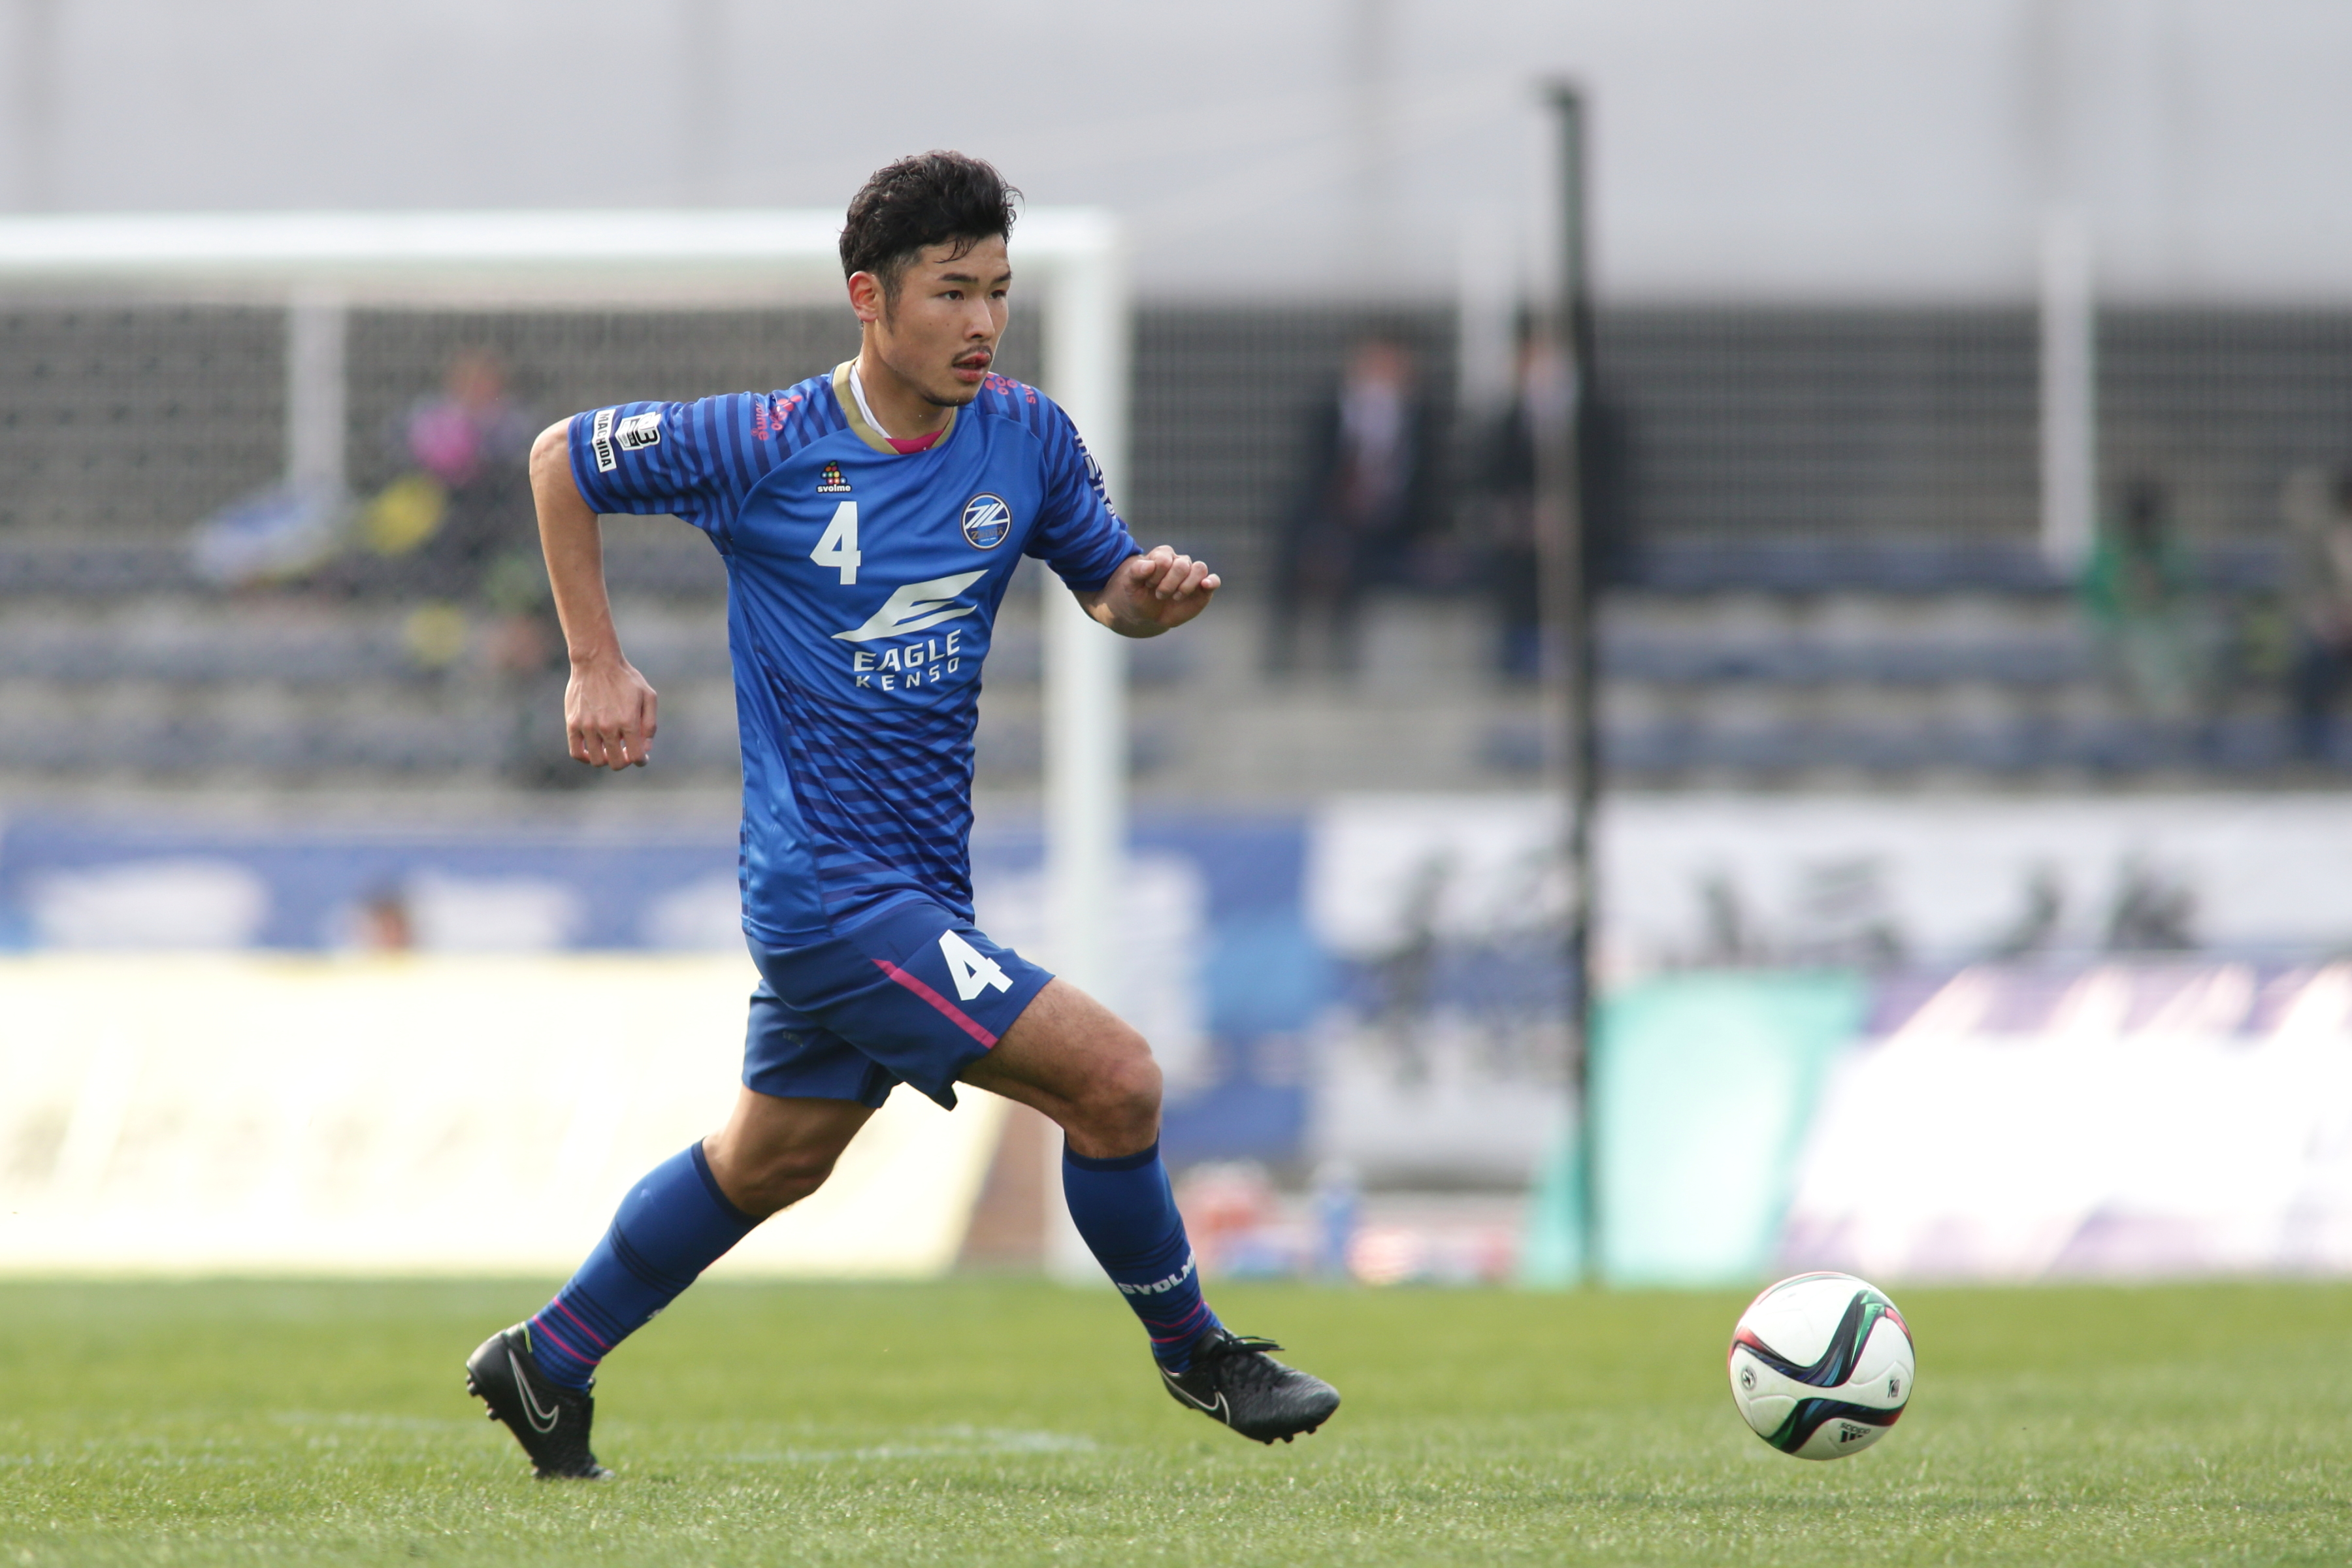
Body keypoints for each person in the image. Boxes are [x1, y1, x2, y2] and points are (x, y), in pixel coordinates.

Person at [461, 152, 1341, 1480]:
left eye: (998, 291)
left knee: (772, 1160)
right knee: (1116, 1081)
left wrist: (1146, 601)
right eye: (951, 293)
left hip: (919, 882)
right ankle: (1199, 1353)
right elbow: (559, 459)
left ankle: (547, 1359)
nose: (983, 323)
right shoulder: (763, 442)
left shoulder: (1026, 435)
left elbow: (1107, 584)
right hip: (830, 891)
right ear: (868, 298)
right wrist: (594, 660)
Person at [1264, 337, 1438, 676]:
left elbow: (1429, 485)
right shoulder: (1329, 413)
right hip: (1333, 522)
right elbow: (1315, 478)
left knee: (1355, 558)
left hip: (1391, 527)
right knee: (1305, 552)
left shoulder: (1421, 418)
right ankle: (1281, 654)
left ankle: (1345, 659)